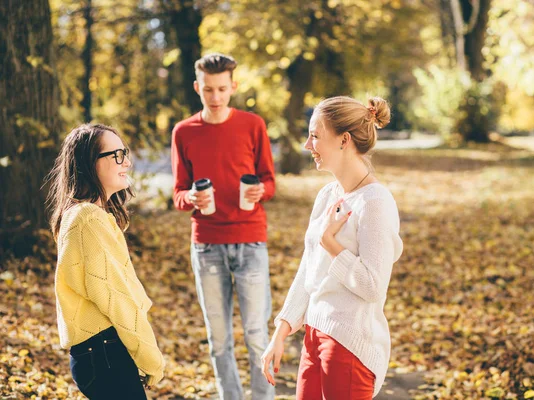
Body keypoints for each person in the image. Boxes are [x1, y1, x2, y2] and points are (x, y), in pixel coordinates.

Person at [261, 96, 403, 399]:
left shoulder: (375, 203)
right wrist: (282, 330)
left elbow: (373, 286)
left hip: (349, 344)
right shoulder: (328, 195)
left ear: (344, 140)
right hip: (314, 335)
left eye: (315, 135)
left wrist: (331, 244)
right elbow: (308, 270)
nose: (306, 145)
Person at [171, 53, 276, 400]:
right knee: (219, 340)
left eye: (222, 89)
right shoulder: (183, 131)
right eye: (208, 90)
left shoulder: (253, 125)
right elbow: (177, 192)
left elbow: (270, 182)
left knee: (257, 335)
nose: (215, 98)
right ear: (197, 87)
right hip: (207, 246)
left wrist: (262, 190)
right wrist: (191, 199)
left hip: (250, 241)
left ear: (233, 86)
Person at [47, 123, 165, 399]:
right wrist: (151, 358)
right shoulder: (87, 219)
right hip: (105, 352)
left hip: (99, 353)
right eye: (117, 155)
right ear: (91, 162)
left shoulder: (88, 216)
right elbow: (116, 298)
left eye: (125, 152)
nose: (127, 162)